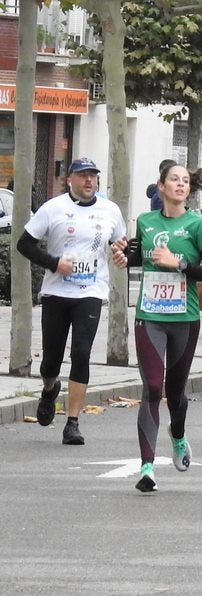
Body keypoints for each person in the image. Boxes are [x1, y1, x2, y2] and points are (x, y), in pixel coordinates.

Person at [17, 157, 129, 446]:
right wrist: (54, 263)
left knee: (81, 352)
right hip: (56, 293)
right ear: (70, 180)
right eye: (83, 176)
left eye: (93, 176)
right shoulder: (53, 208)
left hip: (91, 292)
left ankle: (73, 422)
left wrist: (121, 253)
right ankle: (49, 389)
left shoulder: (110, 211)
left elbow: (124, 244)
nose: (89, 181)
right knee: (51, 361)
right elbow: (24, 244)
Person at [122, 163, 202, 491]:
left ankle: (177, 435)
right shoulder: (146, 222)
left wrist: (179, 263)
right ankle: (147, 467)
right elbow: (138, 257)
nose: (180, 185)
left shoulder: (199, 224)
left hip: (184, 317)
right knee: (152, 386)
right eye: (174, 180)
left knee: (175, 392)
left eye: (185, 181)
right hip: (149, 314)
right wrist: (124, 255)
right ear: (161, 186)